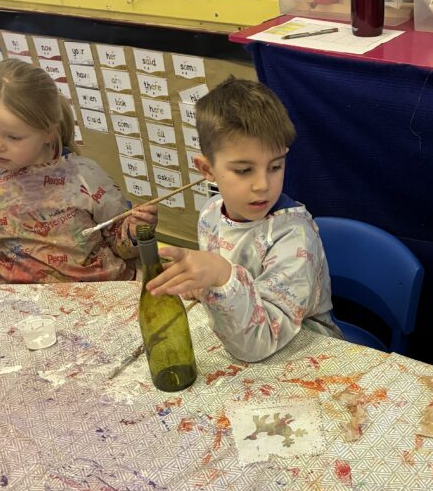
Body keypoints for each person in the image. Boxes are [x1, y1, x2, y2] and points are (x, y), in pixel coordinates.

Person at [146, 77, 341, 362]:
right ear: (207, 169)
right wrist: (199, 282)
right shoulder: (211, 213)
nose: (263, 185)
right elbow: (217, 291)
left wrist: (221, 275)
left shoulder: (294, 237)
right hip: (240, 344)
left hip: (308, 353)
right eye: (244, 170)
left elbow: (259, 343)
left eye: (275, 166)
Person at [0, 59, 156, 283]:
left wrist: (134, 230)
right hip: (16, 294)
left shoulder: (85, 177)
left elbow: (122, 248)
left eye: (13, 137)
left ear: (48, 133)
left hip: (97, 290)